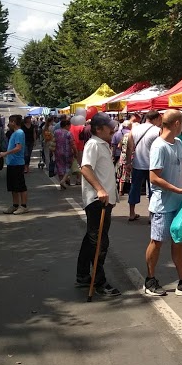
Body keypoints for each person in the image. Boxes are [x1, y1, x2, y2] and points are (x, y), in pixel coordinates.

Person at [143, 110, 182, 298]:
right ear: (177, 123)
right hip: (163, 204)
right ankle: (150, 279)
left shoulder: (176, 143)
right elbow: (153, 178)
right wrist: (176, 189)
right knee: (157, 241)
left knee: (178, 241)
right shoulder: (159, 146)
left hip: (179, 201)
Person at [75, 113, 121, 296]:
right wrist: (100, 190)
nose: (113, 130)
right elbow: (85, 168)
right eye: (109, 127)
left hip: (103, 200)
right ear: (98, 129)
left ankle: (83, 275)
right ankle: (99, 282)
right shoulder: (94, 144)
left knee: (91, 239)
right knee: (99, 242)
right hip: (97, 201)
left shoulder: (102, 144)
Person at [125, 110, 163, 222]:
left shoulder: (135, 129)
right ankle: (151, 215)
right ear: (156, 119)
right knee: (153, 190)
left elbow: (129, 147)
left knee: (134, 188)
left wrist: (128, 162)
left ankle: (131, 213)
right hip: (153, 165)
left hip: (137, 163)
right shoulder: (158, 131)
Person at [0, 114, 28, 214]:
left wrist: (5, 153)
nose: (9, 124)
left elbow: (18, 147)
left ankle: (23, 206)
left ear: (14, 123)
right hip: (12, 163)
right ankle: (15, 205)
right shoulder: (14, 133)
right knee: (13, 186)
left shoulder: (19, 133)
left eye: (10, 122)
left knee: (20, 186)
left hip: (17, 163)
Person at [54, 118, 77, 189]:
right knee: (68, 167)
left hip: (57, 152)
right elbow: (72, 144)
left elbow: (53, 142)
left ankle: (61, 180)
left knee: (60, 166)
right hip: (67, 152)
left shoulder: (56, 132)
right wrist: (75, 152)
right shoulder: (69, 133)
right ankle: (63, 180)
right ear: (66, 125)